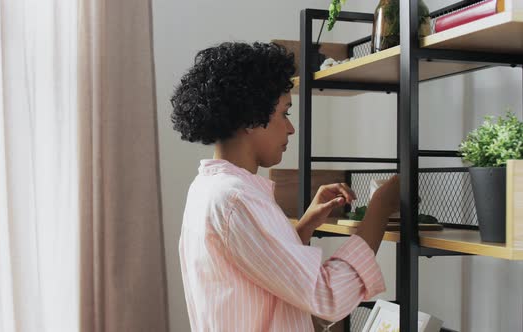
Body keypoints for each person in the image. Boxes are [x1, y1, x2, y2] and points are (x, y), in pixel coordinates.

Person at [171, 42, 400, 331]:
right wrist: (379, 208)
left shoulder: (208, 188)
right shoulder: (236, 199)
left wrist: (303, 228)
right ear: (251, 119)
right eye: (284, 113)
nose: (291, 128)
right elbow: (327, 296)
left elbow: (255, 269)